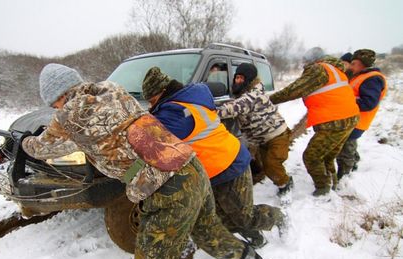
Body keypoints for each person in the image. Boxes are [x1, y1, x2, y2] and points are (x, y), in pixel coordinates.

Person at [22, 63, 282, 259]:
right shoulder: (112, 89)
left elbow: (41, 148)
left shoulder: (68, 116)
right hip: (191, 167)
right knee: (210, 233)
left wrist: (25, 141)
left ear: (59, 97)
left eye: (53, 104)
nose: (55, 109)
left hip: (166, 186)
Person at [141, 67, 286, 248]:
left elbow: (149, 143)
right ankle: (256, 238)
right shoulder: (192, 96)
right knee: (222, 218)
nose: (150, 106)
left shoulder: (175, 114)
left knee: (244, 216)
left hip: (230, 165)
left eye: (152, 101)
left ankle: (279, 217)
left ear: (162, 92)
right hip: (211, 172)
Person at [269, 47, 360, 196]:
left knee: (311, 157)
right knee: (328, 155)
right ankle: (333, 184)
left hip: (335, 121)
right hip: (348, 118)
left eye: (306, 61)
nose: (304, 65)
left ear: (313, 60)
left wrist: (268, 100)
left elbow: (293, 90)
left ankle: (323, 189)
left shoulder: (319, 69)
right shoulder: (335, 69)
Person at [217, 63, 293, 196]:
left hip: (277, 136)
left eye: (242, 78)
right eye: (237, 78)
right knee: (266, 164)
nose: (238, 81)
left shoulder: (253, 96)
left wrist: (208, 110)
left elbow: (233, 108)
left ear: (249, 80)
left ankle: (285, 185)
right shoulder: (243, 94)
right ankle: (280, 177)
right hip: (263, 139)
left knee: (271, 165)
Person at [336, 49, 387, 179]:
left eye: (353, 63)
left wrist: (346, 100)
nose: (351, 66)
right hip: (350, 119)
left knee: (345, 148)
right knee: (347, 145)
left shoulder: (372, 79)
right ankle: (353, 163)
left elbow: (368, 103)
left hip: (357, 122)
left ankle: (344, 176)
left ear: (362, 64)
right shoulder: (360, 76)